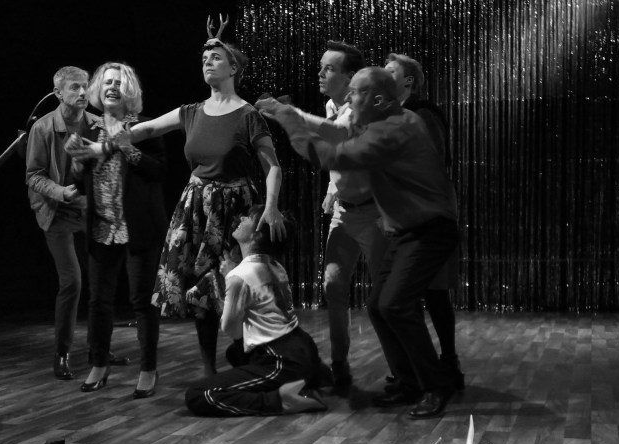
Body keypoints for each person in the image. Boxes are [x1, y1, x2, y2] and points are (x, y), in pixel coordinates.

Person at [84, 15, 286, 378]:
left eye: (215, 58)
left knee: (240, 285)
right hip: (196, 208)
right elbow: (143, 130)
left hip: (235, 209)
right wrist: (103, 146)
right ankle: (209, 373)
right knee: (201, 293)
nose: (207, 62)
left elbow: (273, 167)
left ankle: (255, 362)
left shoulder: (248, 115)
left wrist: (271, 208)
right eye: (204, 58)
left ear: (233, 68)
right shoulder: (190, 112)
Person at [257, 67, 461, 418]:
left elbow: (329, 156)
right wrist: (287, 112)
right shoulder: (383, 121)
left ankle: (434, 384)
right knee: (379, 304)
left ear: (377, 100)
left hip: (430, 229)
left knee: (395, 304)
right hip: (407, 229)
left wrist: (288, 117)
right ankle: (410, 382)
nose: (349, 99)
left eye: (355, 93)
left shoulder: (395, 128)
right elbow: (338, 132)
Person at [260, 41, 386, 391]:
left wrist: (289, 114)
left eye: (328, 68)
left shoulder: (361, 105)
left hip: (374, 213)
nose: (319, 73)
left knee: (385, 298)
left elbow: (339, 132)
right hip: (344, 212)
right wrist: (333, 186)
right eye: (321, 67)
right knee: (333, 287)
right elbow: (336, 147)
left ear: (350, 77)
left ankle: (403, 370)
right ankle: (340, 366)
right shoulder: (332, 104)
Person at [65, 62, 168, 396]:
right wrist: (77, 165)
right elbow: (81, 183)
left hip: (138, 226)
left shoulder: (144, 127)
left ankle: (148, 369)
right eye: (107, 82)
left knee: (142, 302)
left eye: (118, 83)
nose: (112, 87)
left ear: (129, 91)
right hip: (101, 227)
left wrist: (127, 147)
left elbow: (159, 172)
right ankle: (98, 364)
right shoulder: (89, 131)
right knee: (98, 301)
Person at [185, 205, 327, 416]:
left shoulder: (239, 275)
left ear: (257, 235)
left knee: (198, 395)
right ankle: (309, 380)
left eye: (248, 218)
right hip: (304, 348)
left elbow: (232, 330)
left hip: (282, 360)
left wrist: (229, 277)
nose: (241, 218)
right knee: (235, 353)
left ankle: (280, 400)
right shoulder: (275, 265)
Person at [385, 53, 463, 389]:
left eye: (390, 71)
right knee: (406, 295)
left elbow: (432, 160)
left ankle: (446, 366)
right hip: (406, 212)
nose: (382, 75)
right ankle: (422, 370)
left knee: (433, 290)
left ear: (409, 81)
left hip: (428, 211)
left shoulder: (422, 113)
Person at [25, 66, 97, 381]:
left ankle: (99, 349)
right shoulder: (43, 128)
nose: (82, 92)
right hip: (58, 212)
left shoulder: (97, 124)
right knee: (72, 282)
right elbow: (33, 176)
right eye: (74, 87)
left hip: (89, 211)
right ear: (58, 93)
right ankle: (62, 352)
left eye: (85, 86)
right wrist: (61, 192)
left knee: (100, 280)